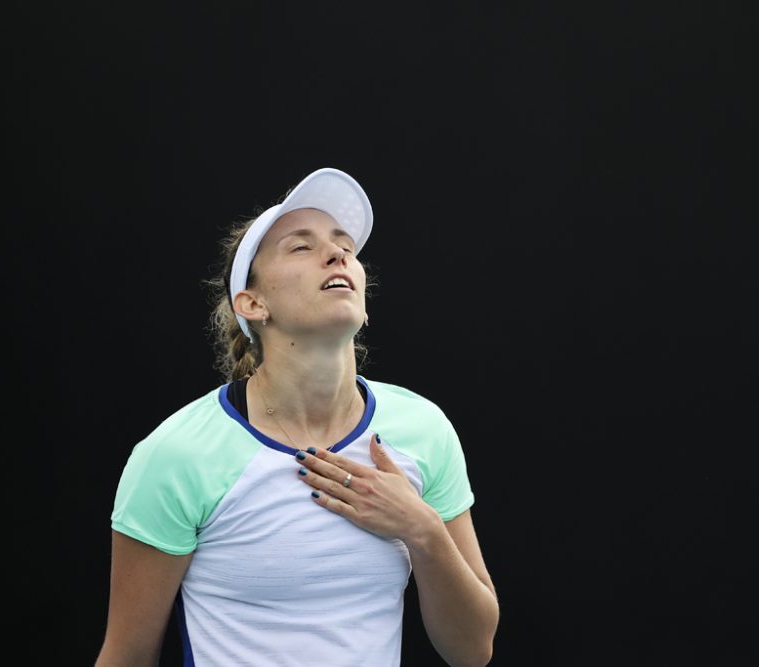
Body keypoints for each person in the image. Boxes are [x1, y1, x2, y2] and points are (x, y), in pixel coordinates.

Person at [95, 168, 499, 666]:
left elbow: (473, 650)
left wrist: (423, 530)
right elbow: (126, 656)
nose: (338, 254)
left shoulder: (424, 430)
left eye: (344, 245)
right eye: (301, 247)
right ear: (253, 303)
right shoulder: (177, 454)